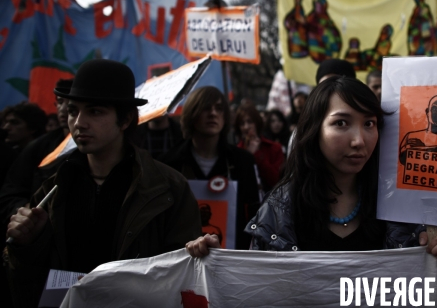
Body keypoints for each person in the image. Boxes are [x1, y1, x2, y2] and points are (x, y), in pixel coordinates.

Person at [187, 76, 437, 261]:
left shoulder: (400, 210)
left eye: (369, 124)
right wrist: (212, 259)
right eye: (341, 123)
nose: (358, 140)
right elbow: (254, 284)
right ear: (314, 130)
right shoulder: (279, 209)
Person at [5, 60, 201, 307]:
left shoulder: (166, 188)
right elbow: (28, 281)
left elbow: (183, 275)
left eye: (95, 112)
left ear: (126, 119)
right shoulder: (53, 188)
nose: (79, 123)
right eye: (74, 111)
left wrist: (200, 250)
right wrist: (26, 244)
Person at [159, 86, 259, 249]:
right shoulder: (170, 163)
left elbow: (255, 214)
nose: (213, 113)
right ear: (192, 113)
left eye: (219, 108)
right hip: (182, 260)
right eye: (206, 107)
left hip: (232, 260)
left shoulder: (243, 161)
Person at [0, 79, 73, 229]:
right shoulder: (38, 148)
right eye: (60, 102)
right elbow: (11, 191)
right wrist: (24, 213)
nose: (64, 109)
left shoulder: (100, 148)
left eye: (72, 105)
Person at [234, 103, 284, 192]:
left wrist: (257, 154)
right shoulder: (235, 151)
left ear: (257, 123)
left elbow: (276, 180)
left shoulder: (275, 148)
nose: (246, 127)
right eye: (242, 123)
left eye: (249, 122)